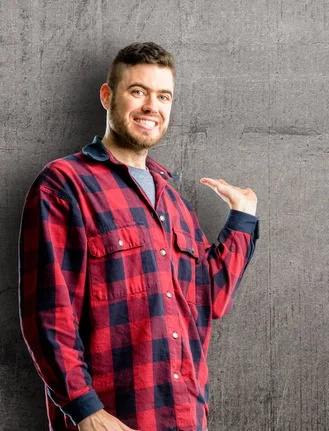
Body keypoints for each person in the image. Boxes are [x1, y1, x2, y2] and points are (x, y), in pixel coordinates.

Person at [18, 42, 260, 431]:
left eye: (163, 96)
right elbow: (48, 314)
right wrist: (86, 411)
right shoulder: (65, 185)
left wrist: (243, 219)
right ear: (107, 96)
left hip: (185, 417)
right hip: (113, 420)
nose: (152, 106)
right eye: (138, 92)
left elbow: (208, 300)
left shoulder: (176, 204)